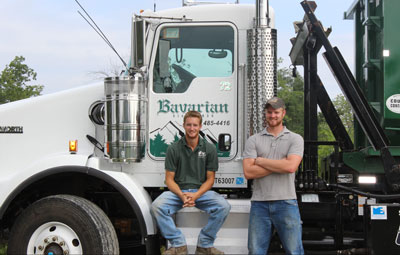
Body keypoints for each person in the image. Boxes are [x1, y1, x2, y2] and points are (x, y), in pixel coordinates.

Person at [151, 110, 231, 255]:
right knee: (157, 206)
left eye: (195, 125)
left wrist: (195, 196)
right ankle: (178, 244)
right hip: (178, 192)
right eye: (189, 125)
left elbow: (210, 179)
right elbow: (169, 179)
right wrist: (182, 196)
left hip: (201, 193)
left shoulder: (209, 149)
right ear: (183, 126)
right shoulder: (173, 148)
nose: (192, 128)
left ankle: (205, 245)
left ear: (200, 126)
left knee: (223, 206)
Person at [242, 97, 304, 255]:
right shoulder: (253, 140)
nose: (273, 115)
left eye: (276, 112)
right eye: (269, 112)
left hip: (286, 202)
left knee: (294, 250)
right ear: (265, 114)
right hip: (259, 204)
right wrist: (280, 164)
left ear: (283, 113)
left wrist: (261, 161)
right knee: (255, 251)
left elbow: (291, 167)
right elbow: (248, 172)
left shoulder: (295, 139)